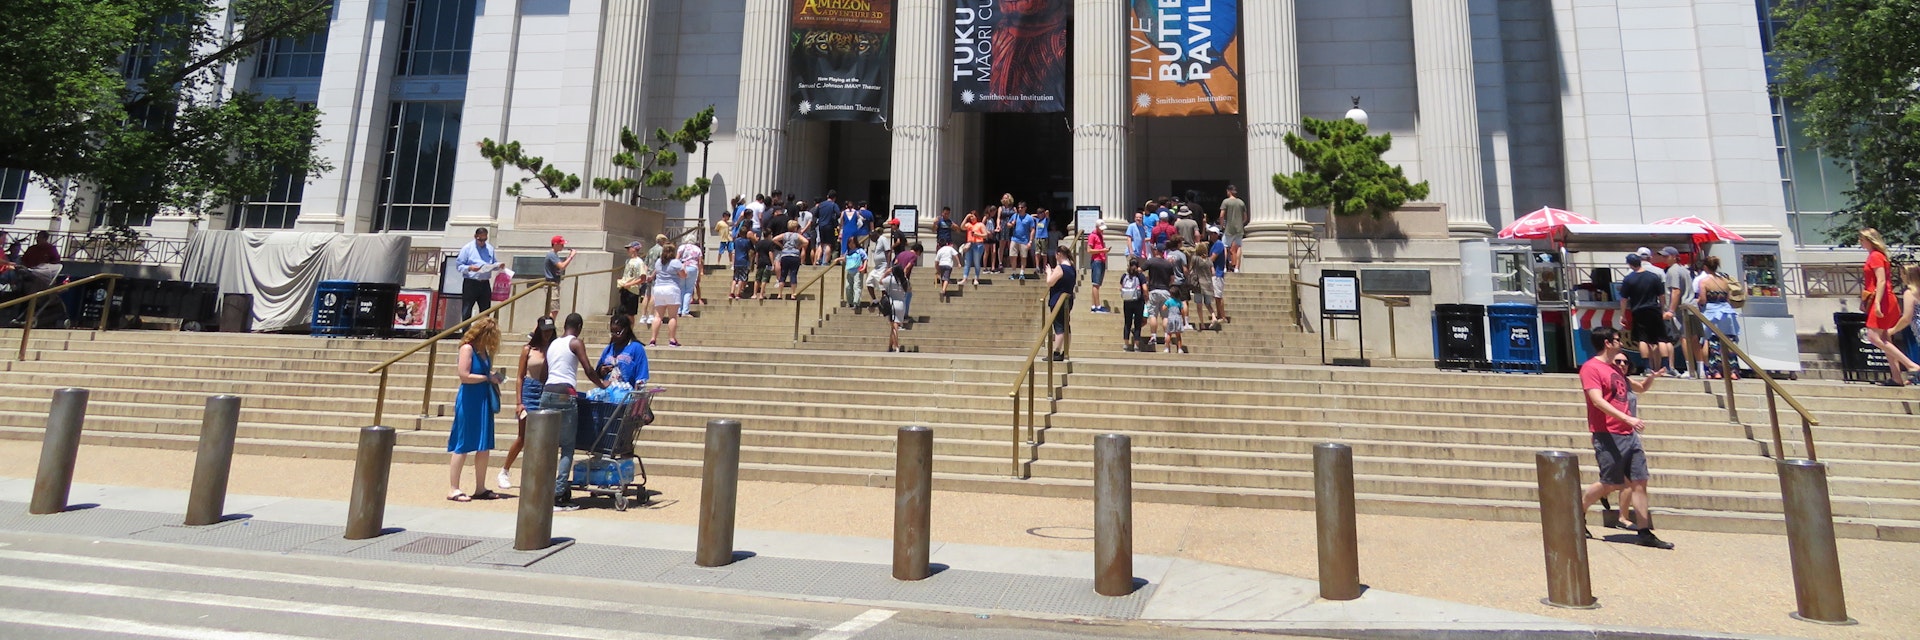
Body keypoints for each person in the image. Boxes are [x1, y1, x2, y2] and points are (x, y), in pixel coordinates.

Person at [1577, 326, 1673, 549]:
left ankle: (1644, 531)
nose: (1621, 343)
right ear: (1608, 343)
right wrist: (1628, 419)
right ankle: (1576, 512)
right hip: (1608, 433)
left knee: (1640, 481)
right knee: (1611, 482)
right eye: (1618, 340)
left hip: (1628, 435)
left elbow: (1638, 388)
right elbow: (1597, 401)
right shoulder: (1591, 368)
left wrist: (1652, 378)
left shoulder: (1616, 370)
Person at [543, 313, 606, 511]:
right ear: (578, 326)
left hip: (547, 392)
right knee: (567, 447)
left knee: (549, 445)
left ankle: (543, 488)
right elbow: (588, 368)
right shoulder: (576, 343)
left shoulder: (553, 344)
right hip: (565, 393)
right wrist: (602, 385)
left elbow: (545, 372)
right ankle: (559, 493)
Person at [446, 316, 504, 502]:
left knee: (483, 445)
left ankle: (480, 487)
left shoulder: (483, 351)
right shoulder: (467, 348)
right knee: (462, 443)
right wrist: (487, 378)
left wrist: (492, 376)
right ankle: (453, 487)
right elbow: (464, 375)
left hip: (482, 398)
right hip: (470, 399)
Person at [497, 316, 554, 491]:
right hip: (529, 390)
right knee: (522, 437)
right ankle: (504, 470)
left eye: (550, 330)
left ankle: (535, 475)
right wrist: (519, 401)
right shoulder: (528, 349)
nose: (547, 334)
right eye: (544, 330)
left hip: (545, 390)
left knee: (542, 438)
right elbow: (520, 377)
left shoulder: (553, 348)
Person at [1859, 228, 1920, 386]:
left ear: (1869, 240)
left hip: (1883, 300)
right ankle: (1896, 376)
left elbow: (1881, 281)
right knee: (1885, 339)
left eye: (1862, 239)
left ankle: (1910, 365)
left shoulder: (1875, 257)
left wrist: (1877, 302)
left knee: (1873, 337)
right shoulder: (1878, 256)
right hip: (1883, 299)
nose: (1860, 242)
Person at [1618, 253, 1669, 374]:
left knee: (1643, 339)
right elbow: (1661, 296)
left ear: (1630, 264)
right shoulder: (1653, 276)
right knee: (1661, 339)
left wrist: (1622, 314)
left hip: (1638, 311)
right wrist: (1662, 309)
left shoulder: (1628, 279)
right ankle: (1666, 367)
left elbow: (1624, 299)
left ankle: (1647, 367)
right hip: (1654, 310)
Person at [1695, 256, 1742, 380]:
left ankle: (1715, 371)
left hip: (1712, 313)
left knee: (1713, 342)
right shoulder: (1725, 280)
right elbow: (1727, 298)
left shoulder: (1704, 281)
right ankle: (1733, 371)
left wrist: (1696, 301)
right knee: (1729, 342)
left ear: (1705, 267)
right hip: (1727, 312)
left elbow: (1703, 300)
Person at [1657, 247, 1693, 377]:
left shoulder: (1673, 271)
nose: (1664, 259)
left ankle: (1690, 369)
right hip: (1690, 307)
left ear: (1674, 256)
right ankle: (1697, 368)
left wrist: (1671, 310)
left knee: (1684, 338)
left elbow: (1675, 291)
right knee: (1692, 339)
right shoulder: (1684, 270)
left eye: (1666, 256)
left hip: (1681, 310)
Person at [455, 228, 501, 321]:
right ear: (475, 237)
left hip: (485, 283)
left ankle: (483, 334)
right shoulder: (467, 248)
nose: (482, 242)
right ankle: (466, 333)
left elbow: (493, 264)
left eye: (485, 240)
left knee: (486, 311)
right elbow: (459, 266)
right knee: (467, 310)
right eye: (480, 240)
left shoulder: (490, 248)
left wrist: (498, 265)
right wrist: (470, 268)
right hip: (471, 283)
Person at [648, 242, 687, 347]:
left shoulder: (658, 262)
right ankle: (672, 339)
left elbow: (656, 272)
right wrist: (683, 267)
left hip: (659, 288)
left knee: (658, 316)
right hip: (671, 288)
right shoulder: (676, 262)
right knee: (672, 316)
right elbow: (683, 275)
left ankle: (653, 339)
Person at [597, 314, 650, 388]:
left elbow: (641, 377)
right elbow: (598, 372)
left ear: (626, 330)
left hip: (626, 394)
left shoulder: (636, 348)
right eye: (612, 332)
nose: (614, 336)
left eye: (618, 333)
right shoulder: (608, 349)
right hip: (608, 393)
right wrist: (601, 370)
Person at [1046, 245, 1076, 361]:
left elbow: (1050, 282)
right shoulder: (1072, 267)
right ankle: (1066, 351)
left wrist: (1049, 272)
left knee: (1059, 327)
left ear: (1059, 254)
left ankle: (1056, 352)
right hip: (1068, 299)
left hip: (1058, 299)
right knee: (1066, 325)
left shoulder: (1060, 268)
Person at [1142, 250, 1176, 351]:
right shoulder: (1168, 264)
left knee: (1153, 315)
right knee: (1165, 316)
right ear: (1163, 253)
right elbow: (1172, 279)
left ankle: (1153, 336)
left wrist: (1146, 280)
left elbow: (1140, 270)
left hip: (1153, 290)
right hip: (1165, 290)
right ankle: (1166, 335)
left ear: (1156, 251)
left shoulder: (1151, 261)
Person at [1891, 264, 1920, 369]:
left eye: (1902, 274)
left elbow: (1906, 318)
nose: (1901, 277)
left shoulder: (1909, 293)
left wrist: (1893, 330)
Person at [773, 220, 808, 300]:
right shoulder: (797, 235)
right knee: (793, 274)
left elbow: (774, 239)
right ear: (795, 228)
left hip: (785, 254)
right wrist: (799, 247)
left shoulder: (785, 235)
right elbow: (806, 241)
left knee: (783, 275)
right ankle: (793, 294)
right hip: (794, 255)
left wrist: (782, 246)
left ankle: (780, 294)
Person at [543, 235, 576, 318]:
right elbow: (562, 266)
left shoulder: (554, 255)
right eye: (561, 244)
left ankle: (540, 329)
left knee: (552, 310)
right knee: (554, 310)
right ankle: (547, 327)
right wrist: (571, 256)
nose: (563, 246)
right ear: (555, 244)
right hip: (551, 284)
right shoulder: (552, 255)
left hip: (554, 284)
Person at [1119, 259, 1146, 351]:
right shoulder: (1140, 276)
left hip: (1127, 302)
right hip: (1138, 302)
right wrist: (1146, 297)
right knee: (1137, 324)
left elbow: (1121, 288)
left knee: (1127, 323)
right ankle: (1136, 345)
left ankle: (1126, 345)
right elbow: (1145, 288)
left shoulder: (1124, 276)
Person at [881, 264, 909, 352]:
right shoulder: (904, 280)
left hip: (892, 303)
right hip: (901, 304)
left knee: (894, 326)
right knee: (894, 325)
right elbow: (908, 289)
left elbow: (880, 281)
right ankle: (890, 346)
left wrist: (886, 273)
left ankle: (896, 345)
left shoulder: (890, 279)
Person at [676, 234, 705, 315]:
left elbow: (677, 259)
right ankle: (685, 311)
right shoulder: (698, 249)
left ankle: (679, 310)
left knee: (681, 289)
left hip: (682, 267)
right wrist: (700, 273)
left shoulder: (682, 247)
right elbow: (699, 262)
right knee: (689, 290)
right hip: (693, 268)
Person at [617, 241, 647, 317]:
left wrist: (630, 284)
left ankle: (630, 328)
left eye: (629, 248)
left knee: (630, 314)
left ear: (634, 249)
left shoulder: (639, 262)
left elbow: (643, 278)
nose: (627, 250)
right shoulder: (628, 261)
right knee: (622, 312)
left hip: (633, 291)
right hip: (624, 288)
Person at [1221, 185, 1247, 272]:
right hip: (1239, 228)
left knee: (1224, 246)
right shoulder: (1241, 202)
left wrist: (1222, 225)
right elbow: (1245, 217)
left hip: (1229, 228)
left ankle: (1224, 266)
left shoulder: (1226, 202)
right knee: (1239, 246)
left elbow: (1221, 215)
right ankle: (1237, 268)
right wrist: (1241, 223)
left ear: (1229, 191)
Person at [1086, 220, 1111, 312]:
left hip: (1101, 260)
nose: (1102, 231)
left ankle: (1094, 306)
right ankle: (1098, 306)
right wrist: (1102, 251)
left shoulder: (1100, 236)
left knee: (1097, 285)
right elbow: (1089, 250)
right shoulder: (1092, 236)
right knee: (1095, 284)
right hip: (1096, 261)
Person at [1008, 202, 1036, 280]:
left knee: (1023, 257)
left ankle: (1022, 273)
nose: (1020, 209)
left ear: (1025, 208)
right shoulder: (1015, 216)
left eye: (1022, 207)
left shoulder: (1029, 218)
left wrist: (1030, 241)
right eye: (1019, 207)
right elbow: (1008, 224)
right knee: (1012, 256)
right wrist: (1011, 224)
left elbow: (1032, 229)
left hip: (1024, 240)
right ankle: (1014, 272)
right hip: (1014, 239)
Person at [962, 212, 987, 286]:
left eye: (973, 217)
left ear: (976, 217)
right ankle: (964, 278)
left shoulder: (980, 224)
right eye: (971, 217)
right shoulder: (969, 225)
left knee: (976, 262)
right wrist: (966, 217)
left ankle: (976, 278)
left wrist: (977, 234)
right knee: (967, 262)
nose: (971, 218)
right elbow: (962, 227)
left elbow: (985, 235)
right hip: (970, 244)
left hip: (978, 244)